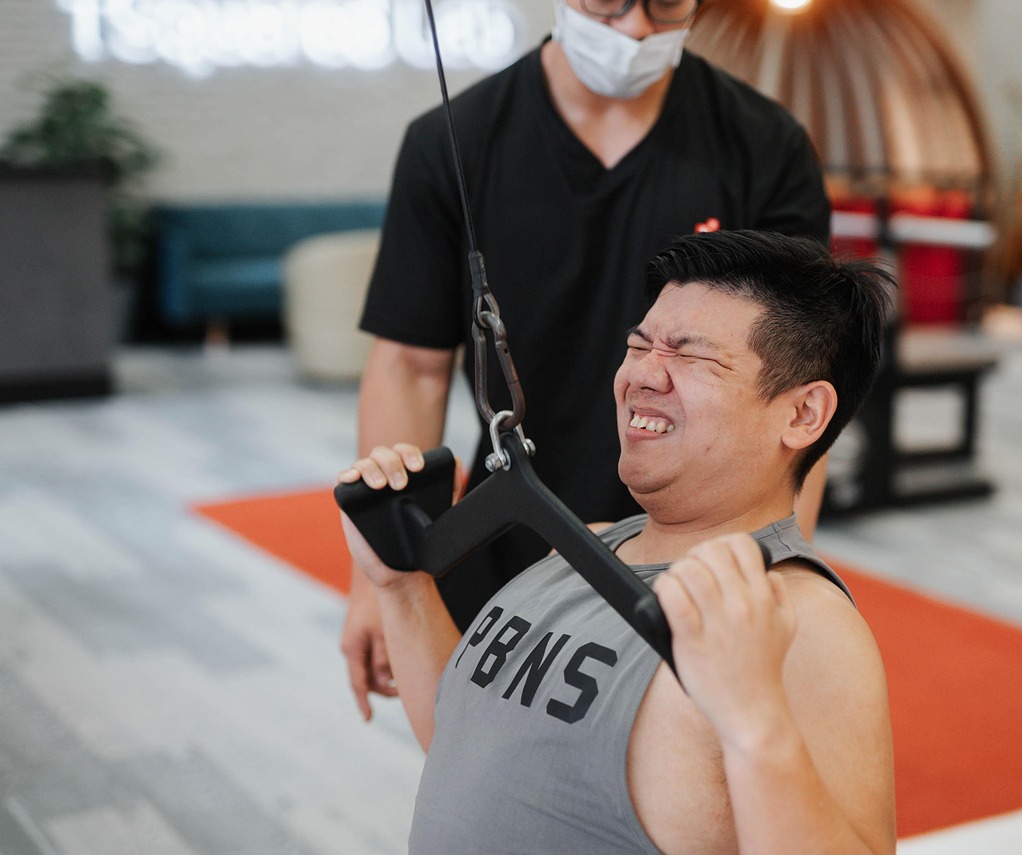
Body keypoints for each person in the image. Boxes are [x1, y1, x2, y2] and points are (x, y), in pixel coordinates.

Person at [343, 0, 834, 723]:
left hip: (697, 553)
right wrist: (377, 581)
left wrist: (782, 570)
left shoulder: (766, 147)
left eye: (666, 2)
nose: (635, 27)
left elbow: (796, 387)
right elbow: (411, 366)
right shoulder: (454, 141)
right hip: (507, 536)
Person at [338, 230, 896, 854]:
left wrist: (756, 725)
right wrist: (400, 585)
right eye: (638, 345)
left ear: (802, 415)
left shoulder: (804, 624)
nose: (641, 375)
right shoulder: (585, 545)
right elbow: (466, 741)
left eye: (691, 357)